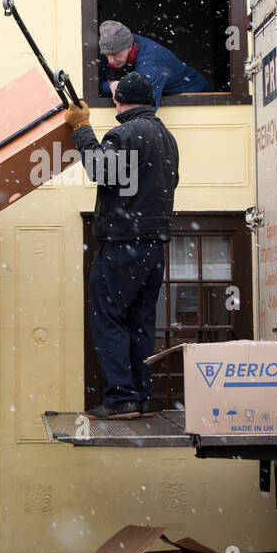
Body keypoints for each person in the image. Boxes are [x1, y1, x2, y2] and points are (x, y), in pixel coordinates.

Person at [65, 71, 179, 419]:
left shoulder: (126, 133)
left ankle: (120, 399)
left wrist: (81, 129)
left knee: (108, 317)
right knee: (140, 321)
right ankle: (141, 396)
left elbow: (100, 168)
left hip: (124, 244)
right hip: (155, 245)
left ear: (120, 101)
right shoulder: (166, 136)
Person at [98, 19, 209, 108]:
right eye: (107, 55)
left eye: (116, 54)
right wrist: (112, 85)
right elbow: (97, 84)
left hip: (194, 92)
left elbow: (142, 111)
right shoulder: (113, 50)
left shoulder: (151, 64)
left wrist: (121, 89)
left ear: (129, 47)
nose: (110, 61)